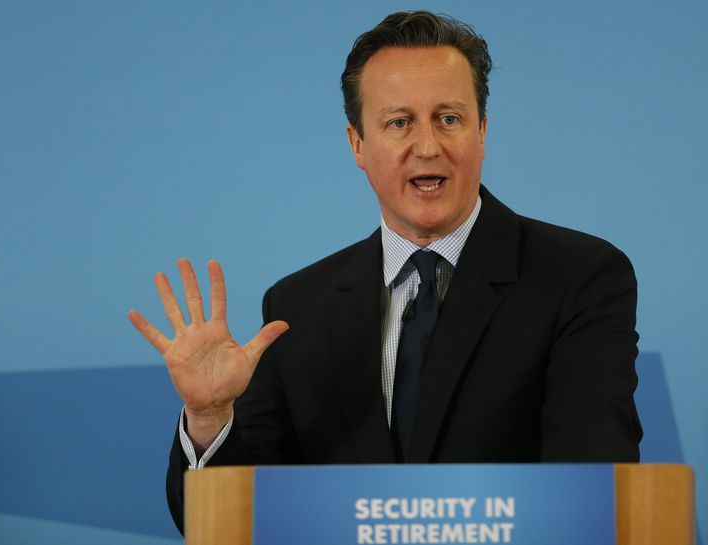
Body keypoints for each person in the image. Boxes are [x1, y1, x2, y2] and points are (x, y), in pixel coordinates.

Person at [129, 11, 642, 534]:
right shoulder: (297, 307)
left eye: (449, 118)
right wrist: (211, 418)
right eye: (399, 122)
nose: (427, 147)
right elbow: (228, 522)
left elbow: (591, 486)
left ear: (482, 131)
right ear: (357, 144)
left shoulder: (578, 277)